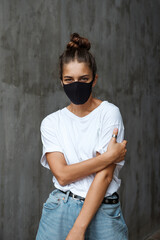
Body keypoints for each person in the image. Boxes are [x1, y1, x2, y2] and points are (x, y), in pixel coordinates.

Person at [36, 32, 128, 240]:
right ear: (61, 81)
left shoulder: (109, 113)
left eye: (83, 79)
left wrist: (78, 228)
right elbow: (62, 175)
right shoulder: (51, 122)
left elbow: (104, 176)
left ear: (94, 79)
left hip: (103, 210)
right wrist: (107, 157)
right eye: (69, 79)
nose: (76, 84)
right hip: (60, 207)